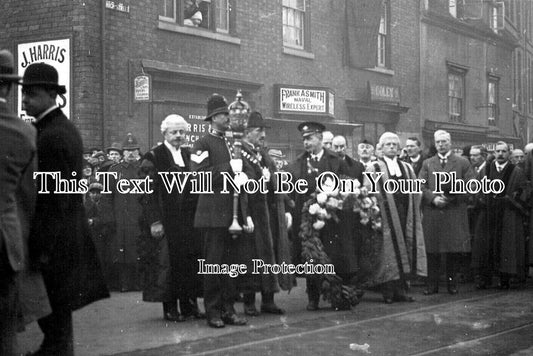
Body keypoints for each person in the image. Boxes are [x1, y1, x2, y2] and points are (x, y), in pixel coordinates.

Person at [22, 62, 108, 355]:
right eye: (23, 93)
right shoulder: (58, 129)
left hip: (54, 245)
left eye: (31, 94)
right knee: (58, 326)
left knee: (55, 327)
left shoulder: (51, 136)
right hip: (64, 241)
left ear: (51, 95)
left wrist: (39, 247)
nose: (24, 100)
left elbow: (53, 202)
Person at [190, 93, 250, 328]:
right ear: (214, 117)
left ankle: (228, 309)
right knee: (214, 264)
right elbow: (199, 175)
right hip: (212, 214)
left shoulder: (235, 142)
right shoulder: (202, 143)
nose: (229, 118)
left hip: (232, 214)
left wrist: (244, 176)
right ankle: (213, 312)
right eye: (225, 114)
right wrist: (227, 168)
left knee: (230, 266)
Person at [138, 114, 204, 322]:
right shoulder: (153, 156)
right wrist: (154, 221)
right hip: (166, 219)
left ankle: (189, 305)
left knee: (189, 261)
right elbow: (146, 192)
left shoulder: (188, 155)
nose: (178, 136)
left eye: (182, 132)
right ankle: (170, 308)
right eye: (174, 132)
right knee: (169, 264)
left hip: (188, 220)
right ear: (164, 133)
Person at [286, 122, 352, 311]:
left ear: (321, 139)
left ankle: (337, 295)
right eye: (304, 139)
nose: (306, 142)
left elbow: (348, 187)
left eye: (310, 138)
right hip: (307, 220)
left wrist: (335, 201)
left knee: (333, 255)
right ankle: (313, 296)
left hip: (332, 219)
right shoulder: (298, 163)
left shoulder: (336, 161)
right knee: (311, 257)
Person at [0, 49, 38, 355]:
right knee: (5, 331)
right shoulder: (25, 132)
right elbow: (28, 195)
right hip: (7, 242)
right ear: (10, 87)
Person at [363, 132, 427, 303]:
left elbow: (416, 191)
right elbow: (368, 192)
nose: (391, 147)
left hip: (405, 213)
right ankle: (388, 291)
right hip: (385, 216)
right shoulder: (373, 167)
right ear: (381, 148)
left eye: (394, 144)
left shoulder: (407, 167)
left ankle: (402, 290)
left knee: (405, 248)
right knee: (388, 253)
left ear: (399, 148)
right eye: (387, 144)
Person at [239, 111, 290, 316]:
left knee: (271, 256)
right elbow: (241, 189)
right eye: (259, 130)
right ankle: (249, 302)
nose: (262, 134)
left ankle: (268, 300)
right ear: (247, 132)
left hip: (269, 212)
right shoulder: (240, 153)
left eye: (263, 131)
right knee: (252, 258)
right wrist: (246, 215)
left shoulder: (262, 154)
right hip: (253, 213)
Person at [418, 130, 474, 295]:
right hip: (433, 212)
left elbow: (472, 185)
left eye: (444, 142)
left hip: (454, 211)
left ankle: (452, 284)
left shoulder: (462, 162)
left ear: (450, 143)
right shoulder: (427, 163)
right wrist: (433, 198)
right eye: (438, 142)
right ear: (435, 144)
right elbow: (420, 184)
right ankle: (432, 285)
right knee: (432, 250)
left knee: (452, 250)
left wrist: (451, 197)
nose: (441, 145)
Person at [472, 141, 528, 289]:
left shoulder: (516, 171)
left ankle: (504, 279)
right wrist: (481, 198)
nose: (501, 154)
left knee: (505, 246)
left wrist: (510, 199)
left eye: (504, 151)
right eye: (498, 151)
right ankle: (485, 279)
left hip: (506, 213)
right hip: (488, 213)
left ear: (508, 154)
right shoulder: (485, 171)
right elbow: (476, 188)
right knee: (485, 245)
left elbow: (523, 192)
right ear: (494, 153)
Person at [106, 133, 143, 292]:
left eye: (134, 150)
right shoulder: (114, 170)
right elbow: (107, 197)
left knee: (139, 250)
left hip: (139, 217)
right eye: (127, 151)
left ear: (138, 151)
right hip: (121, 217)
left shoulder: (144, 169)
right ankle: (124, 283)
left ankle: (138, 283)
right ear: (123, 153)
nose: (131, 154)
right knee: (122, 251)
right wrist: (109, 218)